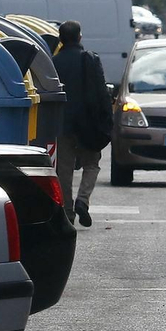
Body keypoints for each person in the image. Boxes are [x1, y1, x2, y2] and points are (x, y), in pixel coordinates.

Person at [52, 19, 112, 228]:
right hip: (88, 124)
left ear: (60, 39)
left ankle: (68, 213)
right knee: (92, 164)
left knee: (64, 170)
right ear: (79, 37)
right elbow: (102, 92)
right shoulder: (90, 59)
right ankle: (83, 200)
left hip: (63, 124)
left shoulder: (54, 62)